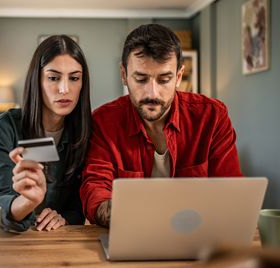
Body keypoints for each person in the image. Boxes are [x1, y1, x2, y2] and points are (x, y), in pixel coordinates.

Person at [80, 24, 243, 227]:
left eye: (164, 79)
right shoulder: (104, 121)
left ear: (179, 76)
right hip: (131, 231)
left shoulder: (212, 117)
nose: (152, 93)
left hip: (198, 234)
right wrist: (115, 211)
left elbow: (230, 191)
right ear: (124, 74)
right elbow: (95, 185)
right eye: (141, 79)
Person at [0, 35, 92, 232]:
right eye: (53, 77)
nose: (64, 89)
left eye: (74, 78)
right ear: (37, 80)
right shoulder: (2, 129)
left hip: (61, 242)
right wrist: (28, 201)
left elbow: (78, 207)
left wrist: (63, 218)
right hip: (15, 243)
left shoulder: (86, 132)